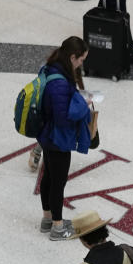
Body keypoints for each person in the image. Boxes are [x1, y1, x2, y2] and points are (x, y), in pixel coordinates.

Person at [38, 36, 93, 241]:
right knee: (57, 182)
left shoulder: (51, 68)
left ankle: (48, 219)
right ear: (72, 57)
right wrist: (82, 105)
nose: (81, 63)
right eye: (81, 59)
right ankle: (58, 228)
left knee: (49, 177)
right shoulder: (60, 83)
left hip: (47, 134)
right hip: (57, 138)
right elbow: (63, 117)